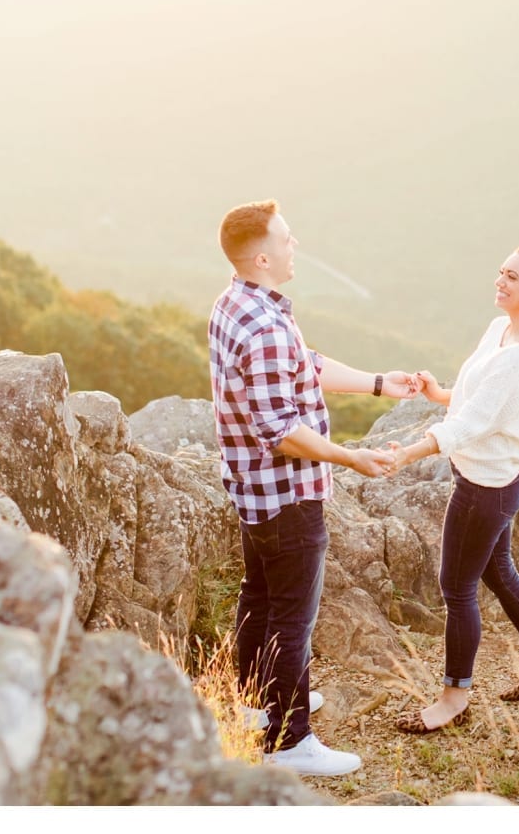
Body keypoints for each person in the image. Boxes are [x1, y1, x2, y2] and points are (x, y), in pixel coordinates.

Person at [208, 199, 420, 776]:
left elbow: (306, 363)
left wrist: (378, 383)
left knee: (261, 597)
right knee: (292, 617)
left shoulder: (237, 304)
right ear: (261, 256)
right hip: (287, 494)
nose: (294, 244)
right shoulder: (265, 325)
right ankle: (289, 740)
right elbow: (281, 433)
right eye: (286, 238)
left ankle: (256, 703)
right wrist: (351, 457)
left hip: (252, 489)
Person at [384, 244, 519, 733]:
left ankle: (453, 698)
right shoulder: (501, 331)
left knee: (457, 588)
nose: (500, 281)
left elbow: (470, 425)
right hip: (496, 480)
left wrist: (406, 452)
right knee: (500, 574)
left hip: (485, 489)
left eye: (512, 277)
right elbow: (475, 402)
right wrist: (438, 394)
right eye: (501, 272)